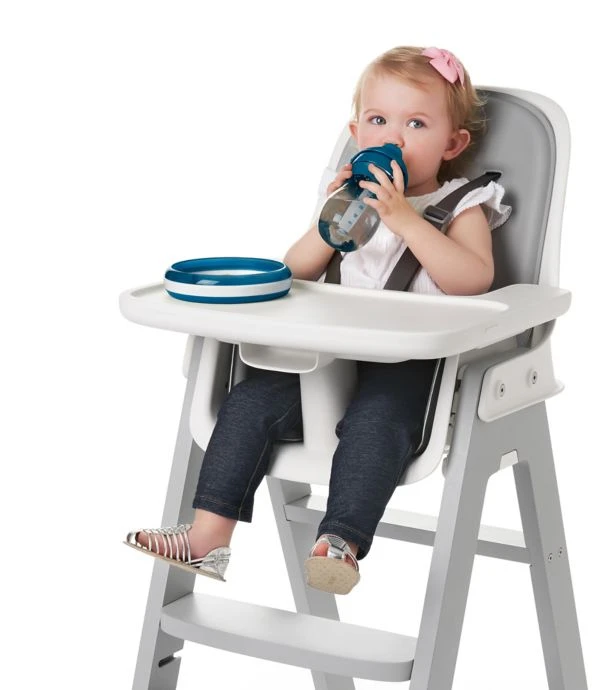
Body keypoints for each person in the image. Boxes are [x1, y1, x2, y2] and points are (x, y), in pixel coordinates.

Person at [125, 45, 511, 595]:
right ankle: (207, 537)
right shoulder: (350, 200)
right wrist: (333, 222)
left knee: (376, 424)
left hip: (409, 366)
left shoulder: (462, 202)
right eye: (377, 120)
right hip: (326, 358)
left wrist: (405, 218)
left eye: (416, 124)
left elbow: (472, 280)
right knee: (248, 402)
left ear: (452, 145)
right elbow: (296, 271)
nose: (393, 137)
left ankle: (339, 544)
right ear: (356, 132)